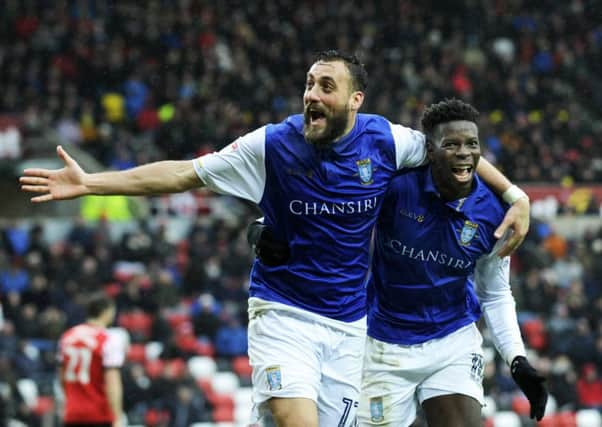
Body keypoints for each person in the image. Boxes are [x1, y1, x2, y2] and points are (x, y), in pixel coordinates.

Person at [21, 50, 529, 427]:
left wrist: (514, 195)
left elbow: (453, 149)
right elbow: (183, 174)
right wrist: (92, 182)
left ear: (356, 100)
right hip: (284, 315)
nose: (312, 95)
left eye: (326, 86)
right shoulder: (271, 146)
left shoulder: (386, 141)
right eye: (309, 84)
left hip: (351, 329)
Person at [356, 99, 547, 426]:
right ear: (430, 151)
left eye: (472, 144)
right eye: (452, 144)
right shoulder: (397, 188)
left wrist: (517, 359)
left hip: (451, 341)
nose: (464, 152)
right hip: (383, 345)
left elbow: (495, 293)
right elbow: (342, 209)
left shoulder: (494, 214)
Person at [58, 293, 125, 427]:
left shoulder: (67, 337)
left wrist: (71, 400)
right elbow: (112, 381)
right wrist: (117, 417)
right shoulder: (108, 339)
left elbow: (62, 377)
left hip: (72, 413)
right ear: (107, 312)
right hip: (98, 414)